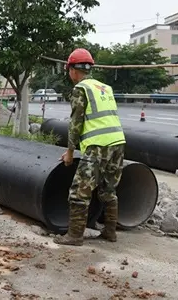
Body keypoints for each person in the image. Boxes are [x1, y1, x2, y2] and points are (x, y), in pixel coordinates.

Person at [54, 48, 126, 246]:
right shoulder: (105, 88)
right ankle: (110, 232)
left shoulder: (81, 89)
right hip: (118, 143)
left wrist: (69, 153)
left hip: (98, 145)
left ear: (73, 70)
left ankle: (74, 236)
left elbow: (75, 123)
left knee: (79, 191)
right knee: (108, 189)